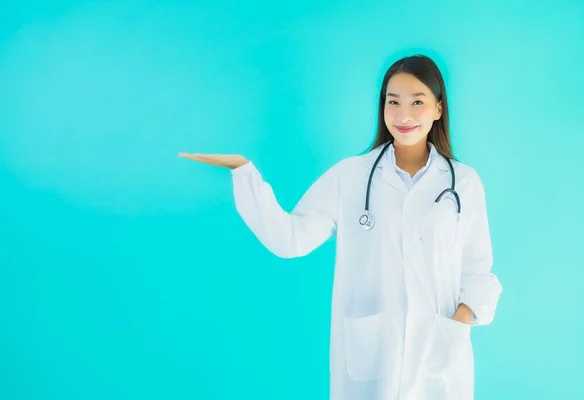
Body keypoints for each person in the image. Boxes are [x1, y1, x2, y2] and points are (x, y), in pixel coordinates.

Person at [179, 54, 502, 400]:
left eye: (417, 102)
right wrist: (242, 171)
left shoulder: (463, 182)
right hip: (372, 361)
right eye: (392, 102)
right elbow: (291, 240)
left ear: (438, 108)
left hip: (438, 364)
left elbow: (478, 271)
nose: (403, 115)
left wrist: (455, 327)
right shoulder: (350, 176)